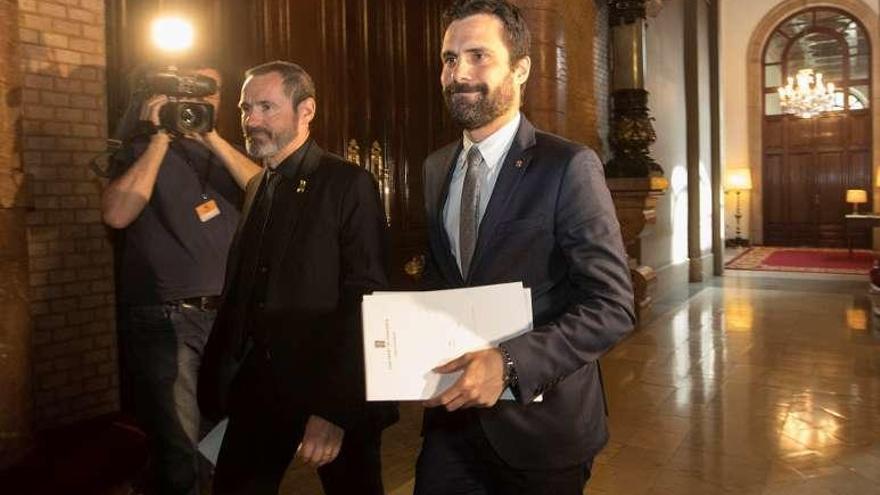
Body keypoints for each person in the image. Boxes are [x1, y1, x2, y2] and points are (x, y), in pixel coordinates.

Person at [414, 1, 636, 493]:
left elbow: (613, 306)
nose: (459, 73)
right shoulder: (435, 168)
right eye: (450, 59)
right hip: (452, 425)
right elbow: (446, 278)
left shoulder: (568, 166)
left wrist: (509, 364)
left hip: (543, 435)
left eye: (478, 56)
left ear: (521, 69)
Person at [198, 60, 397, 495]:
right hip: (258, 392)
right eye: (246, 108)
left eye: (267, 107)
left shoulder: (347, 184)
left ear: (306, 110)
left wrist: (335, 411)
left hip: (328, 392)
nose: (252, 121)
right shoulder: (256, 187)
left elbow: (368, 301)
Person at [102, 65, 261, 495]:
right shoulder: (140, 148)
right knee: (180, 450)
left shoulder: (227, 153)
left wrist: (209, 135)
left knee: (225, 439)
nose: (197, 99)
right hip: (166, 319)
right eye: (186, 89)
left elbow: (268, 192)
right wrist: (158, 138)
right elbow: (117, 214)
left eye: (208, 91)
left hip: (228, 319)